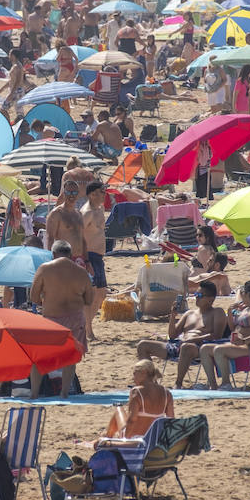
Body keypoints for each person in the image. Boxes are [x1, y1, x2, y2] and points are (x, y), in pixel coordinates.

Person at [29, 240, 93, 398]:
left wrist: (46, 300)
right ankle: (64, 393)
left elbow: (33, 296)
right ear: (71, 255)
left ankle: (34, 394)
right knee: (71, 357)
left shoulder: (45, 269)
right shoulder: (81, 272)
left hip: (52, 318)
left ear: (53, 254)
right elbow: (89, 300)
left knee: (40, 357)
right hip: (75, 318)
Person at [136, 279, 227, 388]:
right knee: (143, 345)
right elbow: (173, 335)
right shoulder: (189, 314)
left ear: (211, 299)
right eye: (196, 294)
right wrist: (172, 317)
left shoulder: (217, 312)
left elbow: (216, 335)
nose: (196, 297)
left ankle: (178, 383)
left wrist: (190, 340)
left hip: (200, 348)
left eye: (200, 295)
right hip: (178, 345)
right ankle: (151, 383)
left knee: (186, 347)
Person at [203, 280, 250, 388]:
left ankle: (226, 383)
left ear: (248, 293)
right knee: (204, 349)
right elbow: (232, 328)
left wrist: (244, 340)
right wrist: (230, 313)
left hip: (248, 346)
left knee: (218, 350)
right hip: (234, 343)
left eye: (242, 292)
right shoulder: (244, 309)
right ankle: (213, 384)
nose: (240, 295)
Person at [104, 360, 174, 439]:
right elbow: (170, 419)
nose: (133, 378)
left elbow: (132, 419)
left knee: (118, 409)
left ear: (143, 373)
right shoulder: (166, 392)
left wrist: (125, 439)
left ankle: (107, 437)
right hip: (154, 438)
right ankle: (108, 437)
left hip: (136, 437)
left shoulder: (137, 391)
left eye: (134, 373)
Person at [81, 181, 108, 338]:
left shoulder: (99, 209)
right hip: (89, 256)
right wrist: (85, 260)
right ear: (92, 194)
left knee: (101, 294)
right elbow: (78, 235)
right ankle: (88, 330)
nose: (104, 194)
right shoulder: (87, 212)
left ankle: (85, 326)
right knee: (92, 294)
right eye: (101, 192)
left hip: (98, 256)